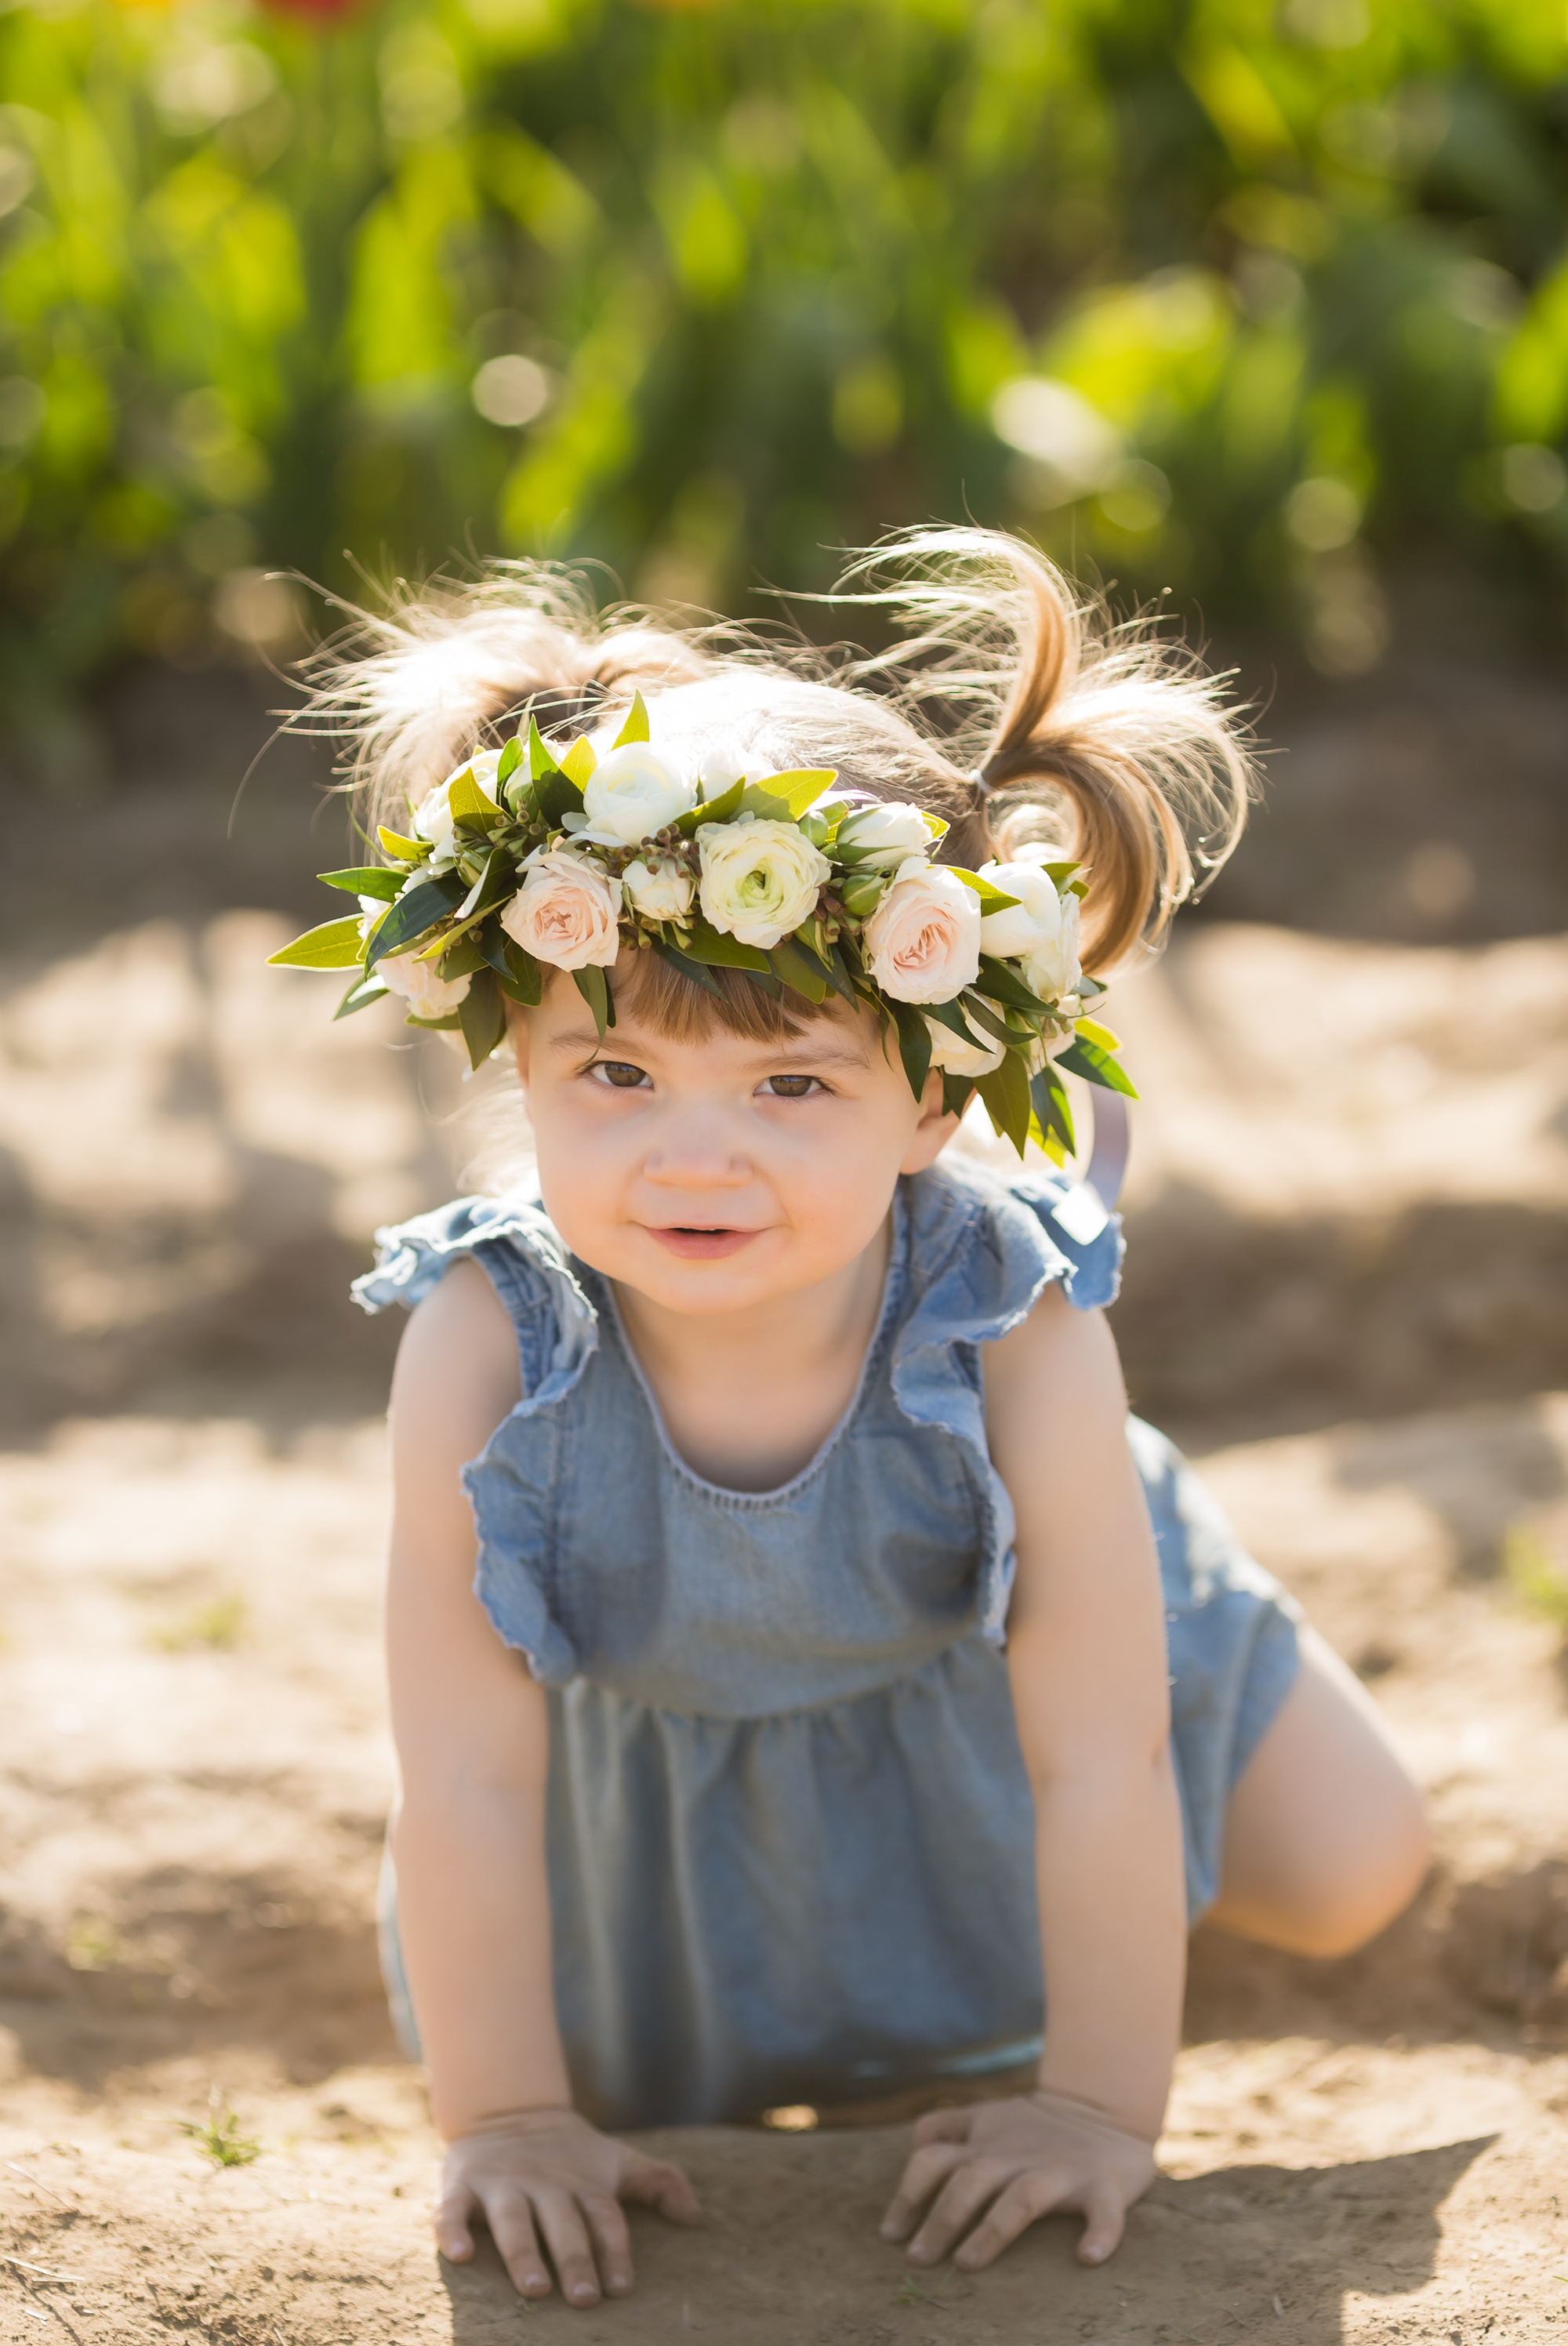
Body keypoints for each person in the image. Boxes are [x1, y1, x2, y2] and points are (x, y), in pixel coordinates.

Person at [279, 529, 1429, 2309]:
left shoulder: (1012, 1313)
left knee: (1357, 1869)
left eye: (792, 1081)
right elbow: (468, 1772)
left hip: (1020, 1689)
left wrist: (1097, 2106)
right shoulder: (481, 1334)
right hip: (660, 1783)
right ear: (514, 1049)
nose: (694, 1152)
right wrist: (505, 2112)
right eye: (617, 1072)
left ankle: (1157, 1649)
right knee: (635, 2085)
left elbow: (1095, 1755)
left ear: (931, 1100)